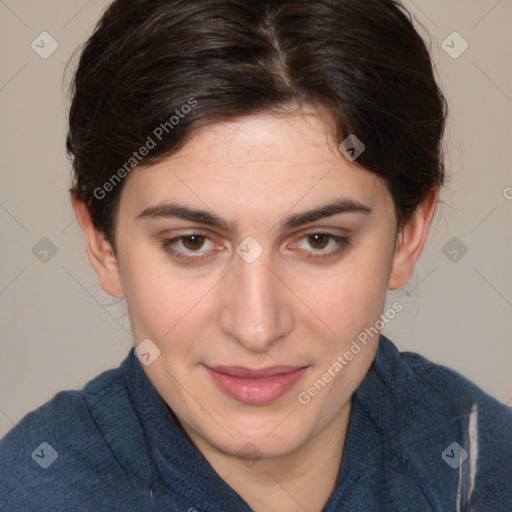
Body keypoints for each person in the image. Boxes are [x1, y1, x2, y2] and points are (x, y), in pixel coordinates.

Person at [1, 0, 511, 510]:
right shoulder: (29, 491)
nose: (256, 327)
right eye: (192, 242)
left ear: (409, 233)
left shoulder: (487, 467)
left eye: (319, 240)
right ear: (102, 242)